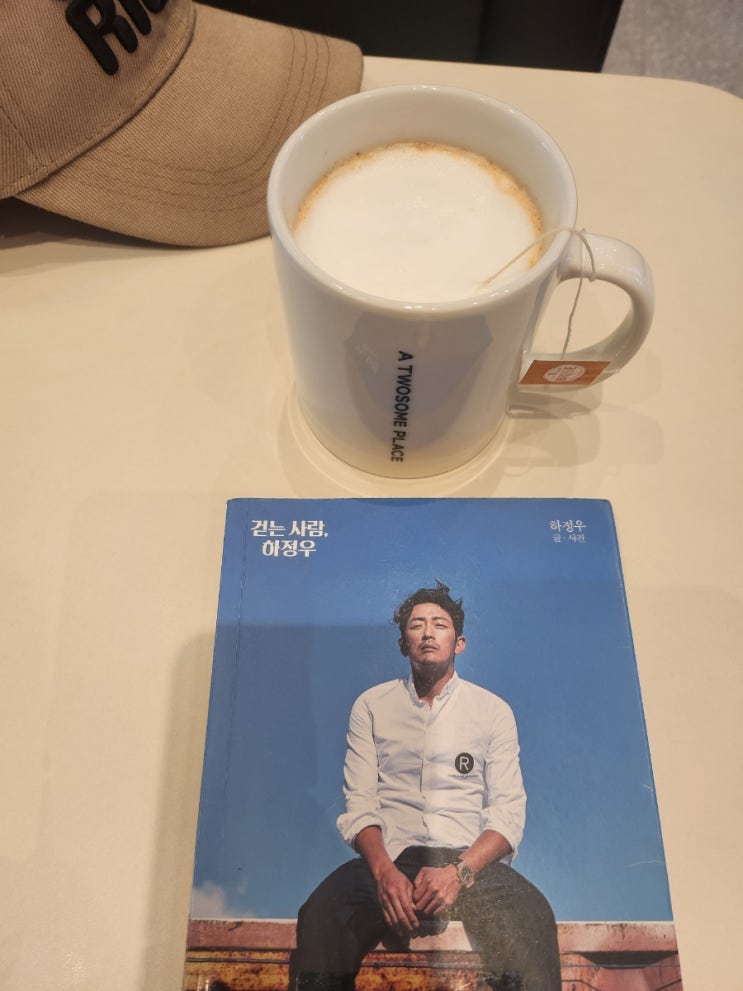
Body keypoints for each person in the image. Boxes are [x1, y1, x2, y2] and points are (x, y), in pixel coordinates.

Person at [291, 581, 561, 991]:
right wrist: (384, 873)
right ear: (404, 644)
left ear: (459, 643)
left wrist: (457, 873)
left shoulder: (493, 711)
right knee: (322, 912)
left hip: (470, 867)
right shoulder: (371, 706)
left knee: (533, 914)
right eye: (417, 625)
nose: (428, 633)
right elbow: (360, 804)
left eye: (440, 624)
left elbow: (507, 815)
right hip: (393, 861)